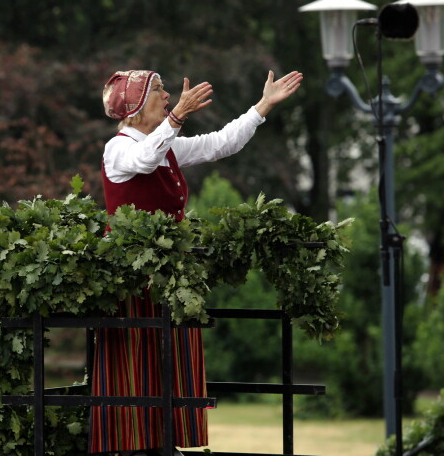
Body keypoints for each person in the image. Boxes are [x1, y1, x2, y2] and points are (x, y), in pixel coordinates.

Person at [92, 68, 303, 456]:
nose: (168, 95)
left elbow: (220, 144)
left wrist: (262, 107)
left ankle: (165, 442)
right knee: (137, 360)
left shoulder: (167, 144)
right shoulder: (119, 147)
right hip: (133, 280)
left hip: (169, 277)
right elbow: (143, 159)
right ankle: (132, 445)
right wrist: (176, 120)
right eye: (158, 90)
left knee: (171, 358)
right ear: (137, 105)